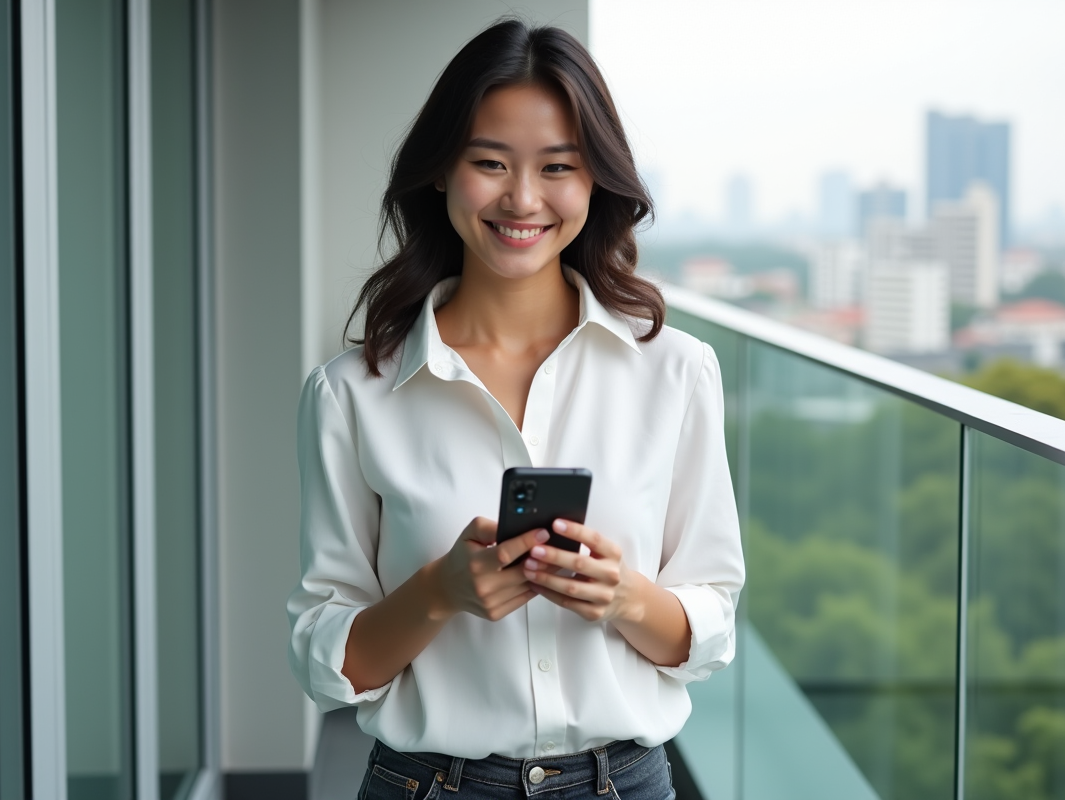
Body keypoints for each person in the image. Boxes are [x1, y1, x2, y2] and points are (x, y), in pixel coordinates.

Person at [287, 18, 744, 799]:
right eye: (489, 163)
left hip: (624, 781)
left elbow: (709, 628)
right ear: (441, 173)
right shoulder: (353, 393)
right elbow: (329, 664)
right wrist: (439, 593)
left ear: (595, 179)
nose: (522, 199)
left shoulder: (675, 372)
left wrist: (623, 596)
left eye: (557, 166)